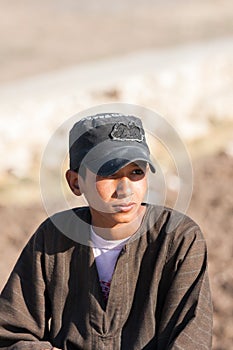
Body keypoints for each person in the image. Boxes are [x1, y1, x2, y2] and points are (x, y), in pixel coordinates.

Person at [0, 113, 213, 349]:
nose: (125, 190)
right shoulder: (53, 238)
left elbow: (191, 340)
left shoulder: (177, 239)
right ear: (75, 182)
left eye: (136, 172)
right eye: (110, 174)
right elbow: (10, 334)